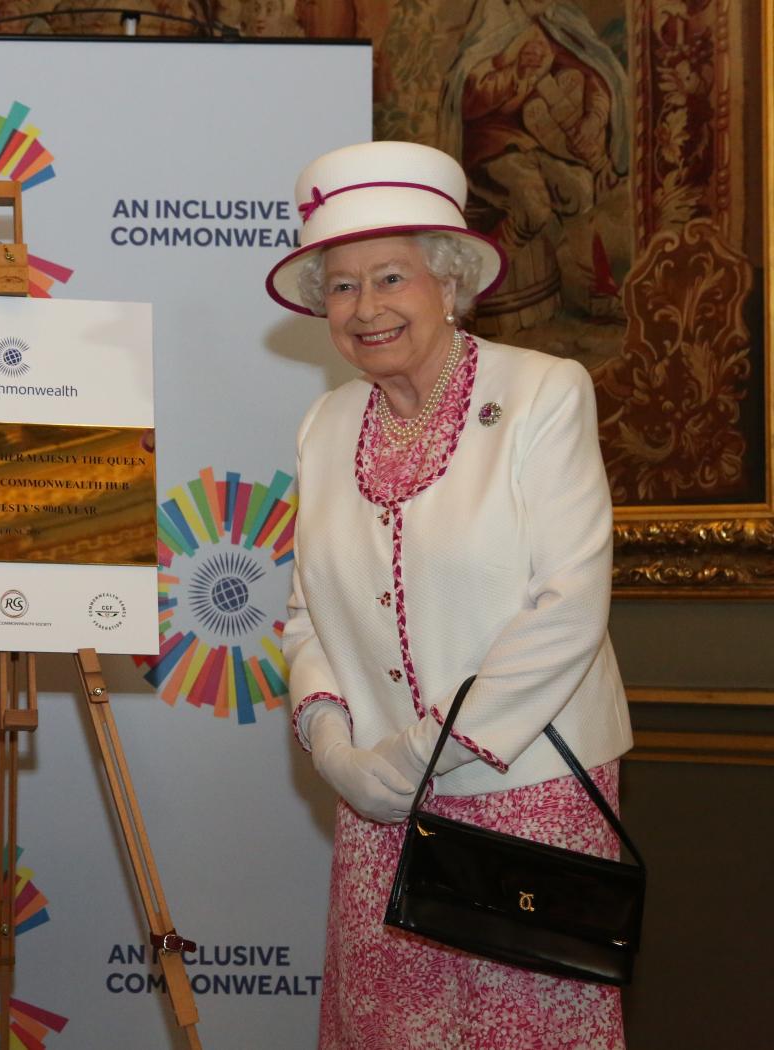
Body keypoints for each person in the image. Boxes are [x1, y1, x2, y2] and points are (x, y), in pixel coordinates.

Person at [266, 141, 633, 1049]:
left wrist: (428, 753)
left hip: (525, 790)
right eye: (340, 286)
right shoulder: (324, 425)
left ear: (450, 282)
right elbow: (305, 607)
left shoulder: (544, 393)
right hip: (377, 808)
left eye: (391, 276)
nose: (365, 307)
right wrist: (333, 745)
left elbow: (569, 603)